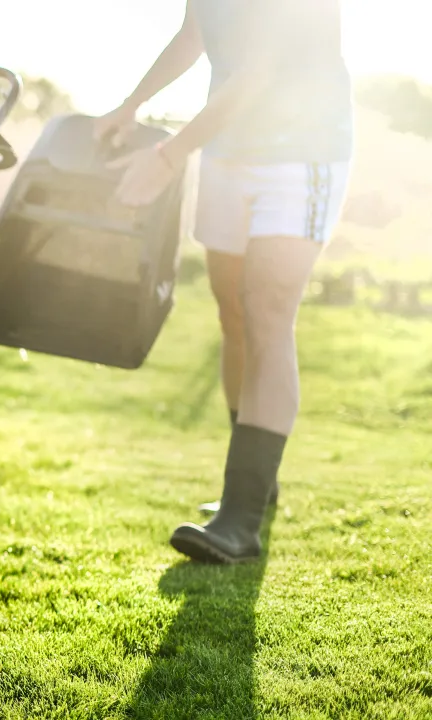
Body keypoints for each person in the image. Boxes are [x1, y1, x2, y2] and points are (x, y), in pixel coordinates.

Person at [91, 0, 354, 564]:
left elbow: (257, 72)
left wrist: (167, 155)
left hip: (302, 154)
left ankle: (241, 517)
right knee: (232, 312)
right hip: (229, 150)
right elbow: (193, 32)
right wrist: (131, 105)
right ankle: (259, 480)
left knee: (267, 313)